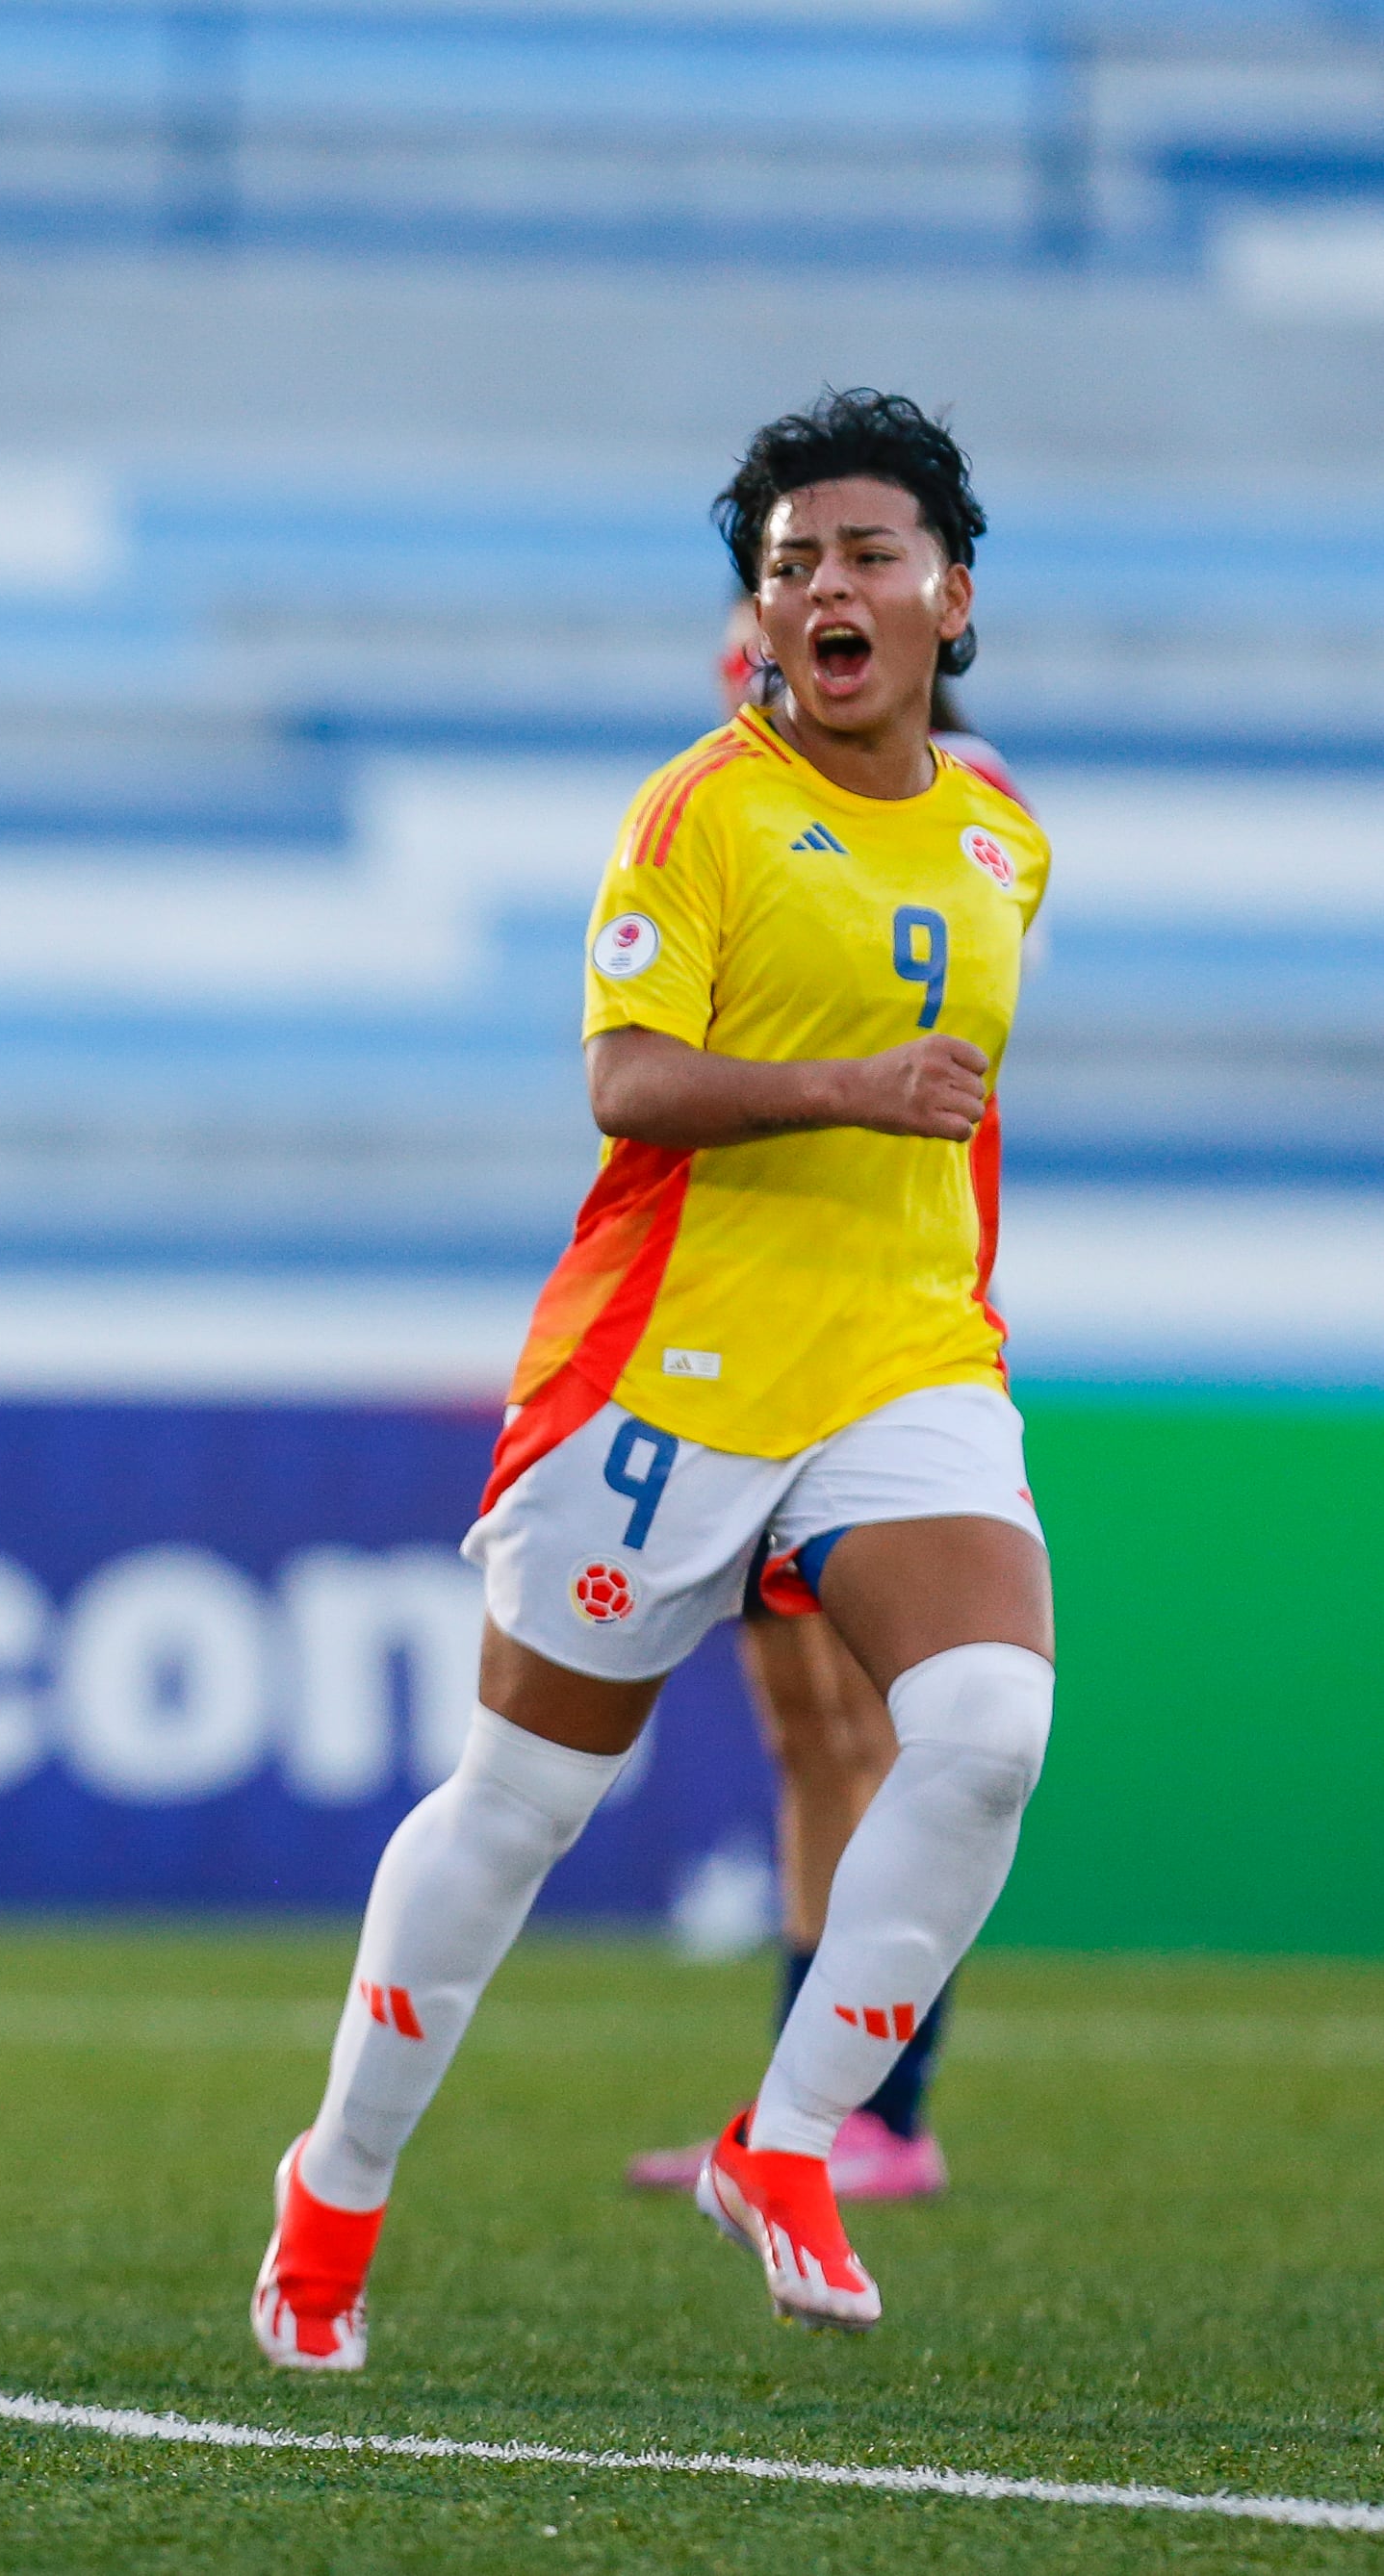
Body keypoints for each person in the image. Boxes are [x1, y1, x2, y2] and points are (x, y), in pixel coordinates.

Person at [248, 390, 1055, 2367]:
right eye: (790, 567)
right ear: (760, 618)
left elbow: (964, 1128)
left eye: (864, 556)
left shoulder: (1003, 837)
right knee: (525, 1803)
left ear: (951, 595)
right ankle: (337, 2183)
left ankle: (789, 2139)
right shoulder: (697, 812)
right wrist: (848, 1089)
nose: (824, 589)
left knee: (987, 1730)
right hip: (668, 1375)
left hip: (903, 1362)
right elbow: (628, 1082)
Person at [613, 611, 1031, 2206]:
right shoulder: (727, 805)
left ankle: (877, 2104)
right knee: (805, 1729)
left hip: (878, 1335)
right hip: (738, 1330)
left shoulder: (964, 807)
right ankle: (809, 2101)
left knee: (884, 1725)